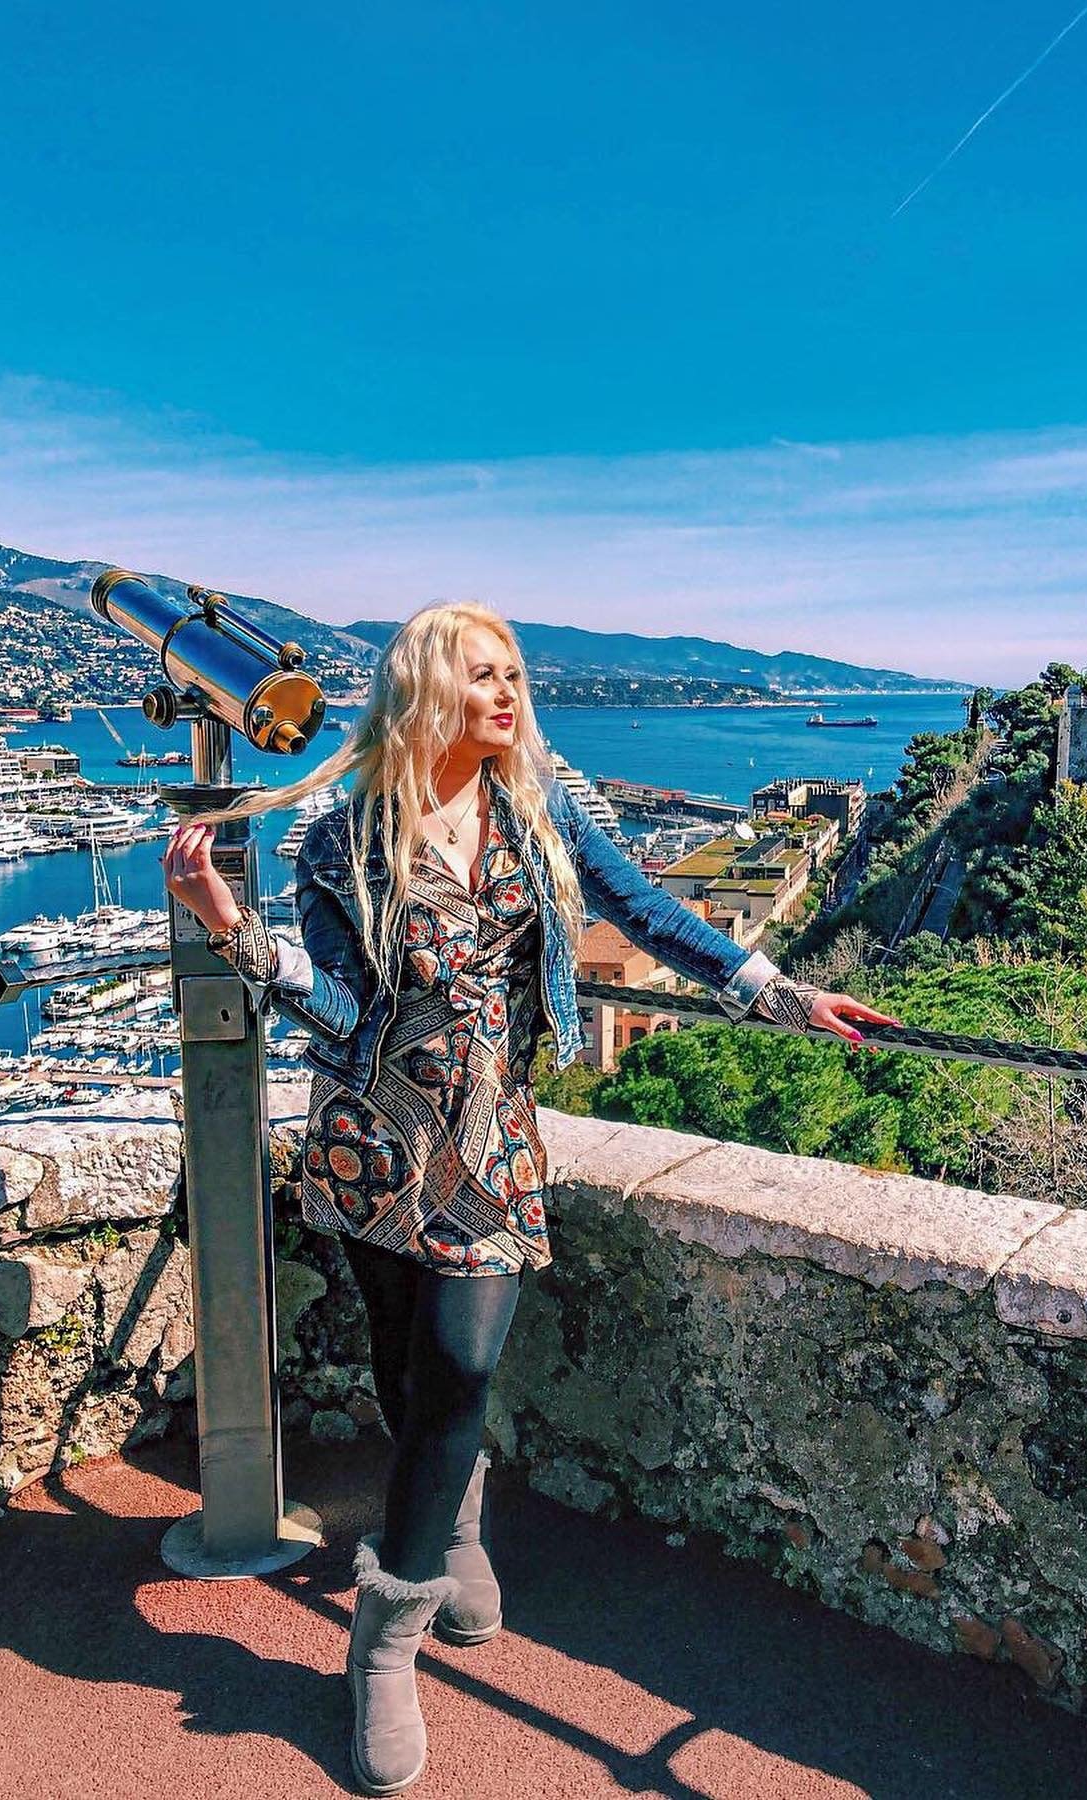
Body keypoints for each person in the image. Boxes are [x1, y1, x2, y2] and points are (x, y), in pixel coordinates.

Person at [163, 601, 899, 1796]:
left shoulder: (542, 808)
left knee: (461, 1366)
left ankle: (382, 1644)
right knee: (409, 1370)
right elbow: (342, 1006)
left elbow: (648, 913)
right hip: (372, 1136)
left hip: (493, 1140)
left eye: (513, 674)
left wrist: (780, 992)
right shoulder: (342, 838)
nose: (507, 694)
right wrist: (232, 929)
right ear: (423, 692)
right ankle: (452, 1529)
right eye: (481, 676)